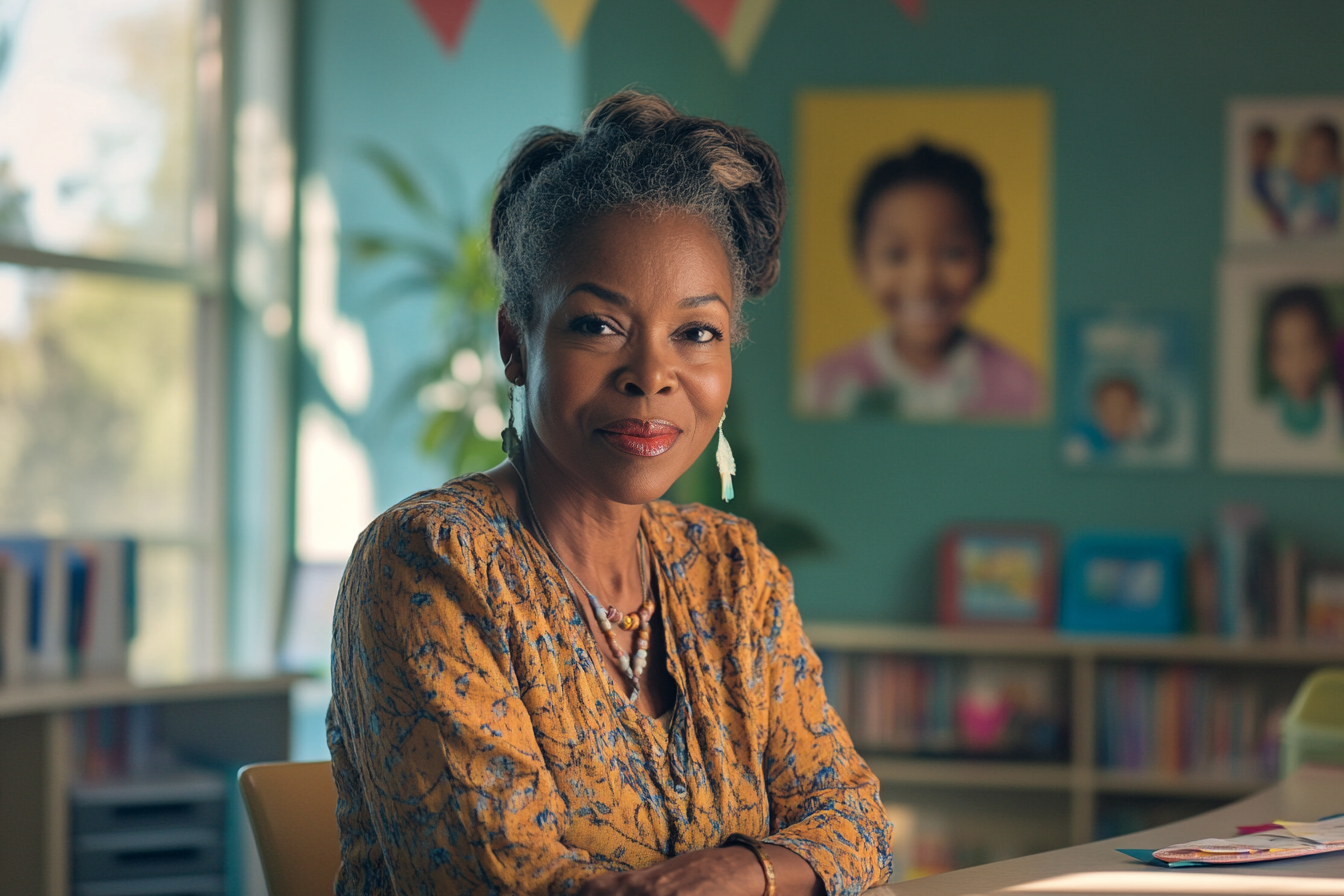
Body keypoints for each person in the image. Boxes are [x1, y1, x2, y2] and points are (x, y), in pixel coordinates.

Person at [327, 91, 892, 896]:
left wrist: (741, 872)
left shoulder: (733, 573)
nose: (652, 375)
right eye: (598, 325)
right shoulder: (432, 563)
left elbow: (856, 821)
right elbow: (516, 884)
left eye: (696, 332)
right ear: (516, 344)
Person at [802, 142, 1040, 420]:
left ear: (985, 259)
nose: (923, 279)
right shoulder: (823, 389)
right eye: (895, 255)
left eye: (952, 253)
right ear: (862, 262)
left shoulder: (1024, 391)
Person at [1259, 285, 1341, 441]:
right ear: (1271, 358)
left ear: (1326, 346)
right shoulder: (1259, 417)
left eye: (1309, 345)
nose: (1299, 362)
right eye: (1286, 350)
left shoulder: (1337, 409)